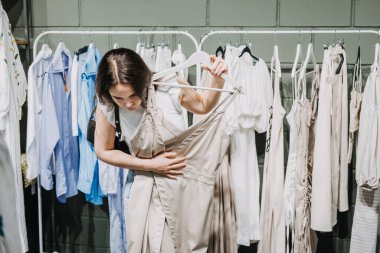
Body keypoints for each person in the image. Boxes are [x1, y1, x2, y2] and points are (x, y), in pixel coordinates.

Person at [94, 48, 228, 179]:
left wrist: (218, 79)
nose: (128, 104)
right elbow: (103, 151)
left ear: (143, 81)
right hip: (141, 181)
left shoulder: (166, 83)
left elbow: (202, 106)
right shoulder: (107, 104)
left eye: (134, 94)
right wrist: (150, 165)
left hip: (183, 180)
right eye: (118, 98)